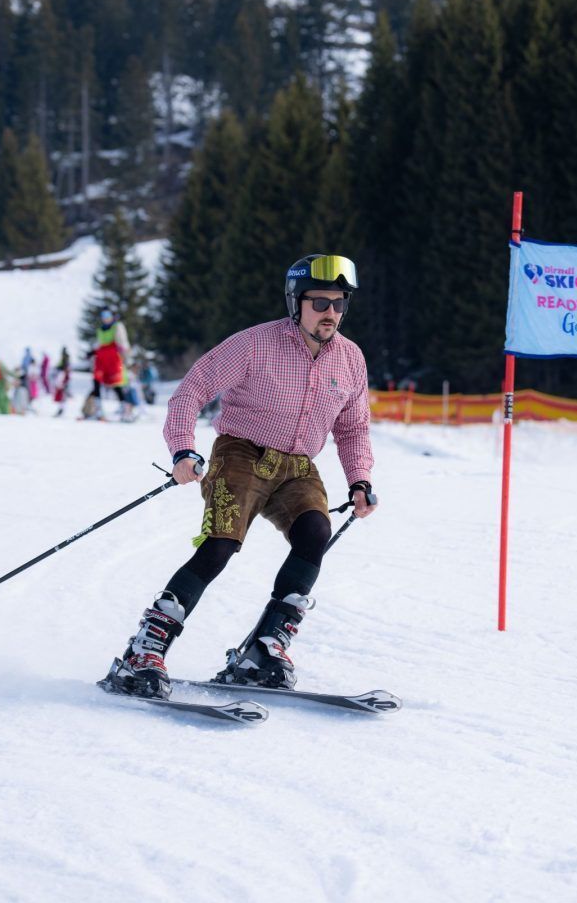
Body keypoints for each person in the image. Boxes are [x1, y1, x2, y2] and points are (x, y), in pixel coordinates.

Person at [104, 253, 377, 700]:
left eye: (339, 303)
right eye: (320, 302)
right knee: (221, 544)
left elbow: (353, 427)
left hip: (299, 466)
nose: (331, 313)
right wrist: (182, 450)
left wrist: (359, 480)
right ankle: (145, 650)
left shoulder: (350, 359)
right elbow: (191, 391)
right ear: (296, 302)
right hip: (241, 454)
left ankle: (265, 650)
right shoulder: (255, 344)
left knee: (315, 533)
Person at [84, 308, 132, 420]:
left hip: (114, 359)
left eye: (107, 315)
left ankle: (124, 409)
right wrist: (91, 352)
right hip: (101, 359)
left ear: (112, 316)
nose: (105, 318)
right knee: (96, 381)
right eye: (103, 316)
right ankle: (98, 409)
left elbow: (123, 342)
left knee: (116, 384)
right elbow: (99, 344)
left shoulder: (117, 327)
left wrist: (127, 357)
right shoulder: (100, 330)